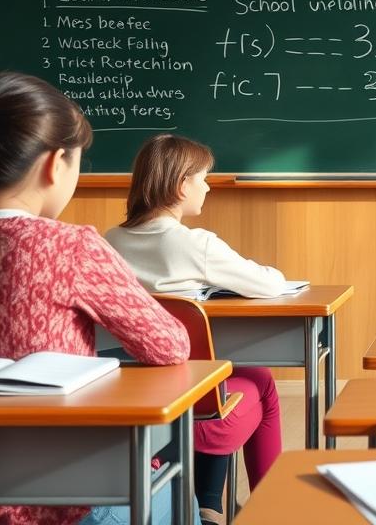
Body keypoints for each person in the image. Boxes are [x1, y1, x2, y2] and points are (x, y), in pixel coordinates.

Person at [0, 72, 194, 525]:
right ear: (54, 164)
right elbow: (170, 345)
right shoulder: (70, 246)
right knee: (173, 477)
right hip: (67, 498)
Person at [105, 134, 283, 524]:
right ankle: (272, 508)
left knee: (218, 374)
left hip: (130, 410)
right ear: (181, 185)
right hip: (198, 419)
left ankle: (209, 506)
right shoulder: (194, 245)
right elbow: (270, 285)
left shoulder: (108, 242)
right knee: (259, 379)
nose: (208, 187)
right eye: (203, 178)